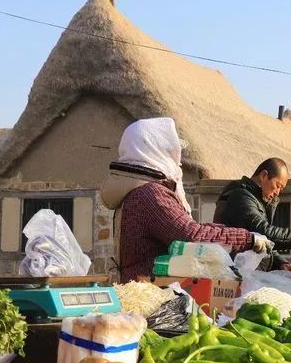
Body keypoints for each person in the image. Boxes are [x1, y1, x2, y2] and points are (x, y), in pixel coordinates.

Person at [100, 117, 270, 282]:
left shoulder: (142, 189)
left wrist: (227, 231)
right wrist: (247, 239)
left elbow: (186, 228)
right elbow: (191, 235)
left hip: (146, 286)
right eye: (171, 153)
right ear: (156, 151)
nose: (177, 161)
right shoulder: (150, 194)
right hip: (151, 293)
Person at [213, 158, 291, 272]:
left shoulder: (258, 200)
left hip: (248, 272)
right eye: (278, 186)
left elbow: (265, 244)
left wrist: (280, 263)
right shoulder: (241, 197)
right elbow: (263, 233)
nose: (278, 192)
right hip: (234, 273)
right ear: (264, 176)